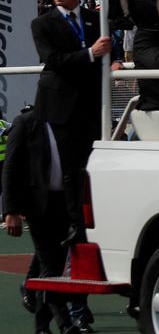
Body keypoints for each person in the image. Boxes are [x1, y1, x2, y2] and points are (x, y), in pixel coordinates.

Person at [31, 0, 111, 242]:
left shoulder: (94, 20)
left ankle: (94, 220)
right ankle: (73, 225)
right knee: (68, 169)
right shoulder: (43, 23)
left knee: (92, 165)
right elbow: (53, 60)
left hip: (91, 106)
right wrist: (91, 54)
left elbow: (101, 56)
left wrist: (110, 62)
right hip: (59, 107)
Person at [2, 108, 81, 334]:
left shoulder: (67, 123)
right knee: (50, 266)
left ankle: (41, 324)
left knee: (53, 264)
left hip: (64, 205)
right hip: (38, 207)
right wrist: (11, 211)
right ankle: (65, 324)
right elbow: (10, 167)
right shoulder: (26, 123)